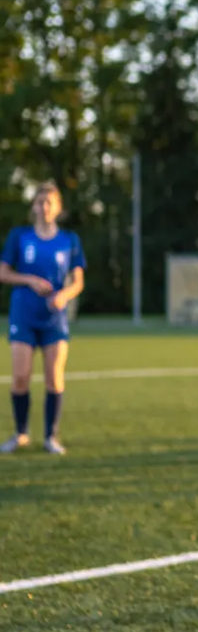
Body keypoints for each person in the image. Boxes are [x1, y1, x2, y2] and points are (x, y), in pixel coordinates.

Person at [0, 181, 86, 455]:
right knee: (21, 377)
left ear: (58, 208)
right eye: (39, 202)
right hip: (23, 315)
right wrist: (29, 280)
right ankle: (21, 433)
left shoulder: (69, 240)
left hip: (54, 320)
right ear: (33, 206)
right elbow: (3, 273)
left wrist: (64, 296)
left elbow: (78, 281)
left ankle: (51, 437)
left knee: (54, 379)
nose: (44, 207)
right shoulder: (20, 236)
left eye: (49, 202)